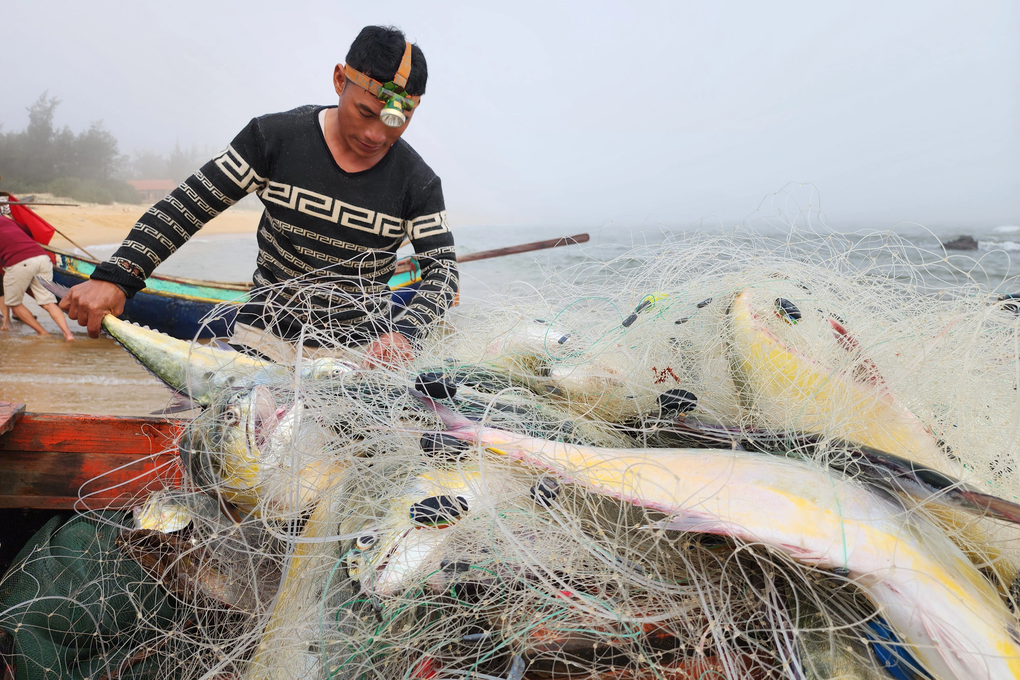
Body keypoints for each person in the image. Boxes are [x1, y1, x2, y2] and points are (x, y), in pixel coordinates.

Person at [59, 26, 458, 367]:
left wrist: (405, 334)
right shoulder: (274, 138)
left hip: (359, 357)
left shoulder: (417, 182)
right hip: (261, 342)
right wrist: (117, 276)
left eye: (396, 120)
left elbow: (442, 274)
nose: (376, 135)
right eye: (366, 112)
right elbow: (187, 207)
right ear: (340, 80)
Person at [0, 215, 76, 341]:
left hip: (20, 262)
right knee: (48, 301)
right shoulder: (4, 219)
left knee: (13, 303)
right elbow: (27, 229)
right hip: (42, 258)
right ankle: (68, 334)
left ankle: (43, 332)